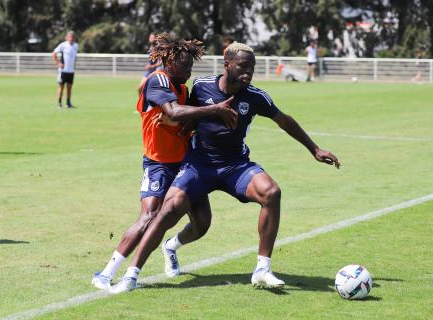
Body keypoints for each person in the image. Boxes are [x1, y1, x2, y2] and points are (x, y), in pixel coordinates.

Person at [110, 42, 340, 294]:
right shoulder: (200, 86)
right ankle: (131, 276)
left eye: (251, 67)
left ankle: (262, 269)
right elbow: (178, 112)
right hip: (198, 165)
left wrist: (314, 149)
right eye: (242, 66)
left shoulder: (256, 96)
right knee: (172, 211)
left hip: (235, 166)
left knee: (271, 192)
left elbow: (284, 120)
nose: (248, 73)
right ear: (227, 64)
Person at [91, 33, 238, 290]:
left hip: (187, 164)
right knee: (149, 216)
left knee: (202, 223)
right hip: (158, 163)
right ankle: (106, 273)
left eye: (192, 67)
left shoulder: (182, 88)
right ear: (169, 62)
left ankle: (171, 246)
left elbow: (187, 119)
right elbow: (174, 112)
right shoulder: (157, 80)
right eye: (185, 66)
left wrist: (187, 124)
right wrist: (214, 110)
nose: (189, 72)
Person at [52, 31, 78, 108]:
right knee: (61, 86)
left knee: (69, 87)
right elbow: (54, 53)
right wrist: (58, 63)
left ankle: (68, 103)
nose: (71, 38)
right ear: (67, 37)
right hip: (63, 70)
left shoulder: (76, 46)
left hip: (71, 70)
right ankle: (59, 103)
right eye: (70, 37)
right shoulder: (63, 45)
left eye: (72, 37)